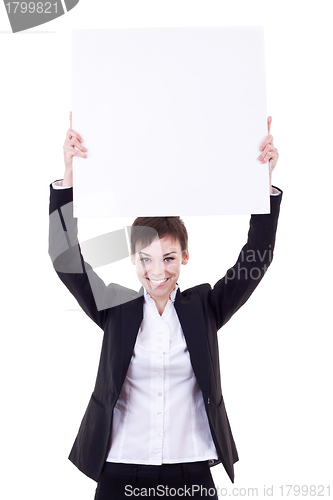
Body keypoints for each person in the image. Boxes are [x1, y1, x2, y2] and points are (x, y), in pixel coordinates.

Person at [48, 114, 282, 499]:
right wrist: (69, 176)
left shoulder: (204, 307)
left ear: (186, 256)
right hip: (121, 467)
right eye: (147, 259)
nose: (158, 272)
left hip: (190, 469)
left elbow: (256, 258)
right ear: (133, 258)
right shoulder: (116, 308)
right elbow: (65, 258)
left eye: (169, 258)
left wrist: (264, 186)